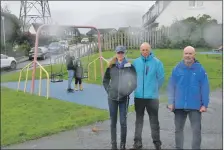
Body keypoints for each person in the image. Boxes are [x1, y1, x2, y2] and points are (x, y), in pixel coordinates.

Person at [167, 46, 210, 149]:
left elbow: (205, 88)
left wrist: (204, 104)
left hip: (195, 106)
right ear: (183, 54)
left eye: (190, 54)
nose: (188, 56)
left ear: (194, 55)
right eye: (186, 53)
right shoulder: (177, 68)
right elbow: (171, 86)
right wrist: (170, 102)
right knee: (178, 130)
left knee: (196, 131)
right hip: (179, 105)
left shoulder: (200, 69)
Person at [131, 42, 165, 150]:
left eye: (147, 50)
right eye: (143, 50)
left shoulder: (157, 62)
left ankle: (157, 143)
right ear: (140, 50)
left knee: (154, 120)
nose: (145, 52)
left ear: (150, 50)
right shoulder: (136, 62)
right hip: (139, 97)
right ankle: (137, 143)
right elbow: (132, 77)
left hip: (152, 98)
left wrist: (154, 89)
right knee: (139, 120)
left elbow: (161, 78)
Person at [103, 45, 137, 150]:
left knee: (123, 122)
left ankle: (123, 145)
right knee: (113, 122)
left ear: (124, 53)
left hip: (124, 99)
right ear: (116, 53)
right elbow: (105, 80)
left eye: (122, 52)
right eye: (118, 53)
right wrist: (109, 91)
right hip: (112, 98)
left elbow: (134, 82)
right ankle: (114, 145)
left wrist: (127, 92)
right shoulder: (111, 66)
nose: (120, 54)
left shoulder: (129, 66)